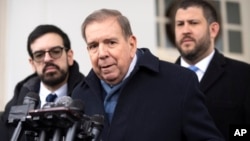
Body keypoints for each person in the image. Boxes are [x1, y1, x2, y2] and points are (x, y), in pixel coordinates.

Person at [71, 8, 224, 141]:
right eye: (93, 46)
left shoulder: (180, 83)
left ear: (131, 44)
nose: (102, 53)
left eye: (111, 42)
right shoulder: (79, 96)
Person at [170, 0, 250, 140]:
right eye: (180, 24)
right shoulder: (162, 80)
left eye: (193, 23)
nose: (185, 30)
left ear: (213, 29)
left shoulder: (244, 76)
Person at [0, 24, 85, 140]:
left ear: (69, 56)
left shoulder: (89, 96)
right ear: (32, 63)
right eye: (39, 55)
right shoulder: (15, 105)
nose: (47, 59)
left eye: (55, 51)